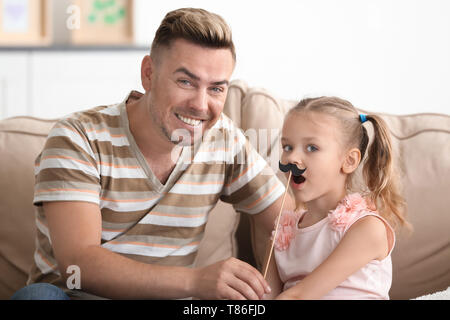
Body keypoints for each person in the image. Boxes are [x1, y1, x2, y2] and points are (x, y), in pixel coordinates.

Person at [11, 8, 293, 300]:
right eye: (185, 82)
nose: (200, 104)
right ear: (149, 74)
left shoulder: (224, 140)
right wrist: (196, 282)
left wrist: (272, 292)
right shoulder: (77, 137)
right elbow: (78, 265)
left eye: (216, 89)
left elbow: (286, 220)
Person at [263, 96, 411, 300]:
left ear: (349, 161)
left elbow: (298, 296)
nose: (291, 158)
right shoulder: (282, 235)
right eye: (287, 147)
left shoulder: (367, 228)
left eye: (311, 148)